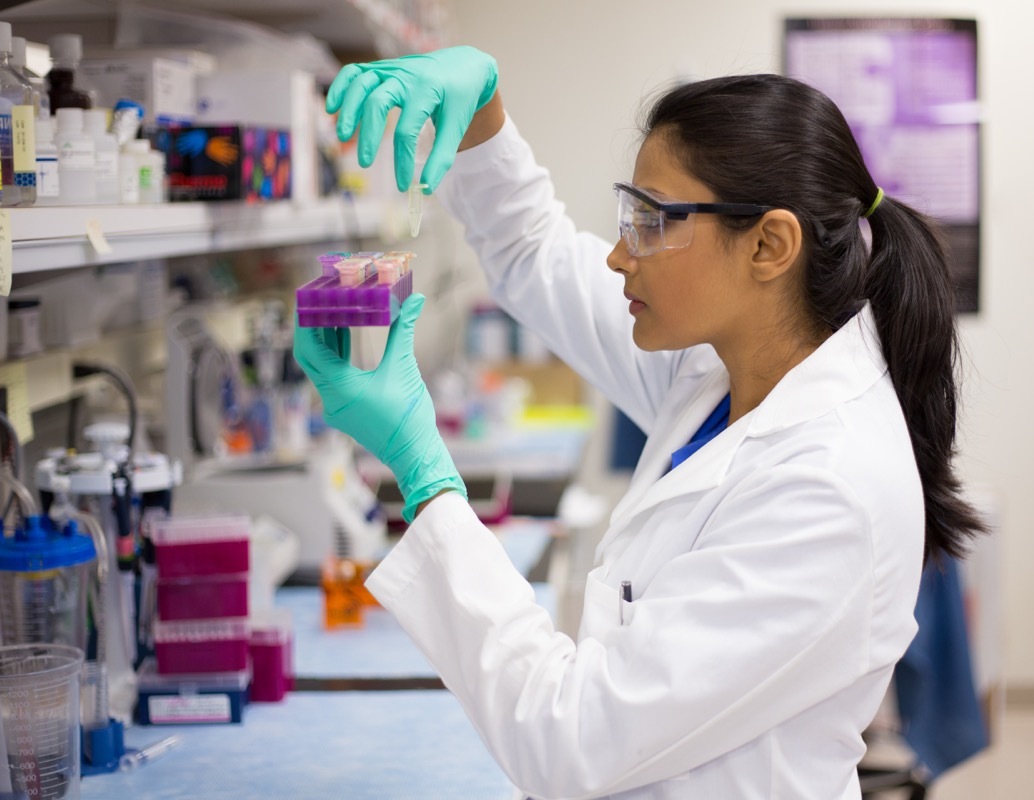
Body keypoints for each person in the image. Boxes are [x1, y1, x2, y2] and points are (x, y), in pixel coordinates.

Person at [294, 45, 986, 800]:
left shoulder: (829, 487)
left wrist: (424, 472)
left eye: (653, 222)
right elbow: (534, 253)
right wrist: (482, 113)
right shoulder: (725, 369)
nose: (622, 254)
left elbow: (570, 741)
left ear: (769, 245)